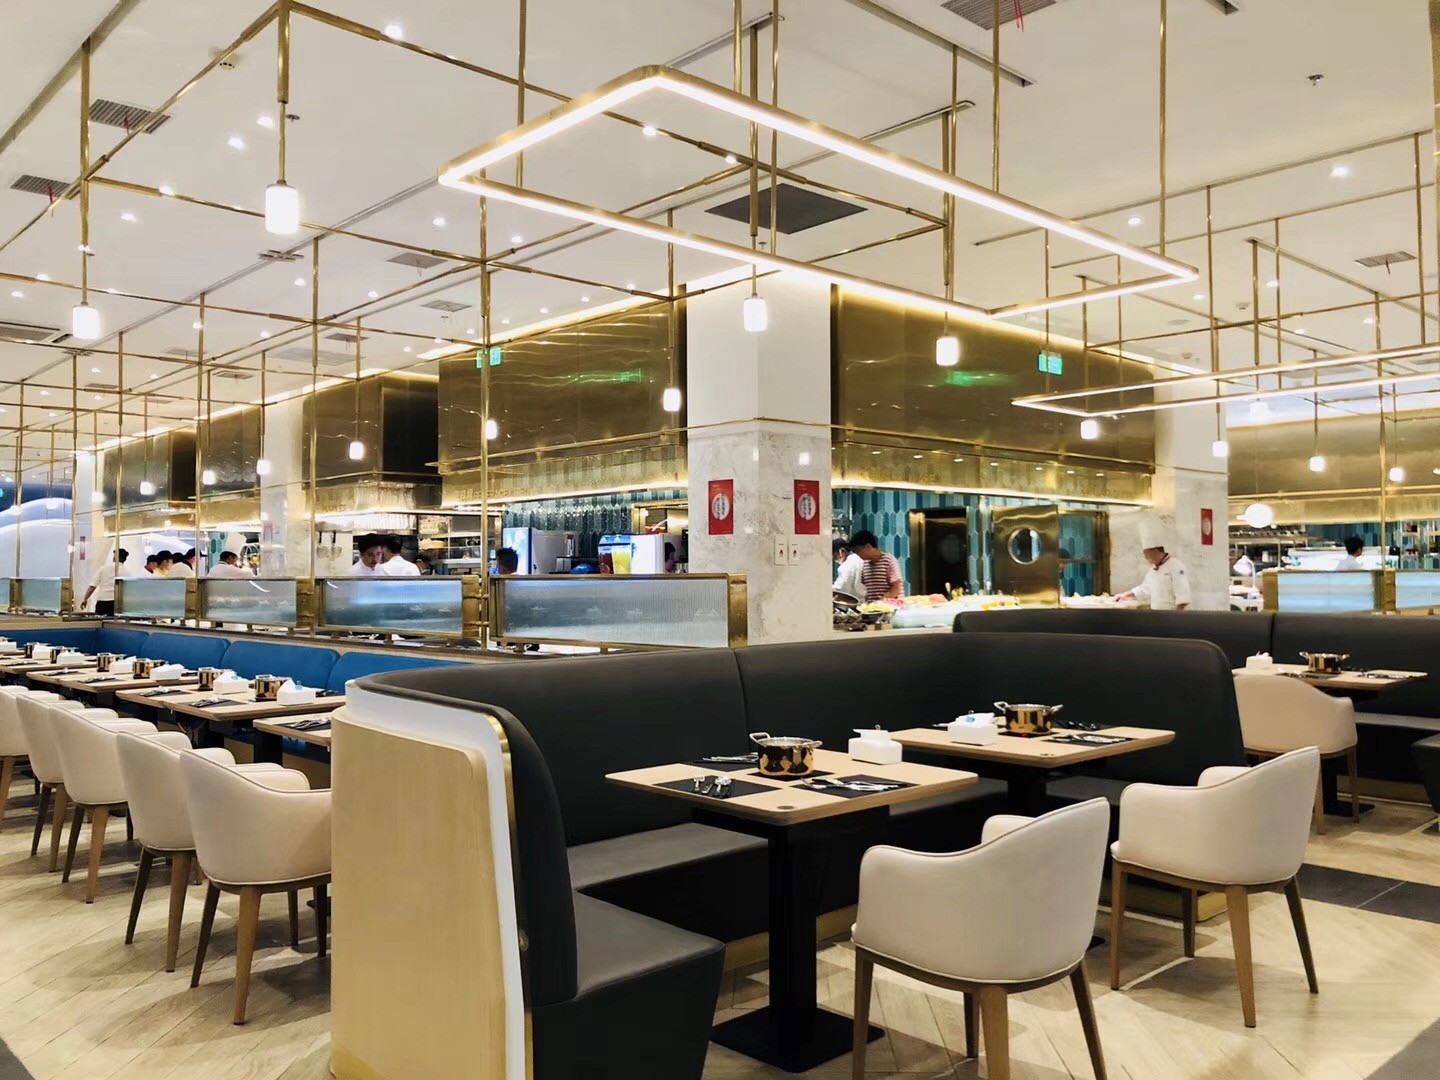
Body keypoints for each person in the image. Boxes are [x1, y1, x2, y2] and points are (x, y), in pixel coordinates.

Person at [1117, 529, 1191, 610]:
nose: (1145, 557)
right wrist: (1125, 595)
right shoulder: (1152, 569)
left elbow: (1182, 595)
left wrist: (1176, 615)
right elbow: (1145, 588)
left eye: (1146, 553)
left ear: (1155, 551)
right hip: (1156, 612)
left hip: (1171, 612)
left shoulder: (1176, 566)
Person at [848, 530, 903, 603]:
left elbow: (896, 589)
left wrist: (879, 603)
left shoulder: (889, 561)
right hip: (874, 607)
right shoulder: (864, 565)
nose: (858, 554)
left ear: (868, 546)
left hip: (892, 607)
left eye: (858, 551)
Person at [80, 548, 129, 616]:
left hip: (102, 602)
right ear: (125, 559)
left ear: (115, 557)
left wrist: (85, 599)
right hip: (118, 603)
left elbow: (93, 585)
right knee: (115, 621)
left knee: (100, 621)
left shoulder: (103, 569)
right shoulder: (127, 572)